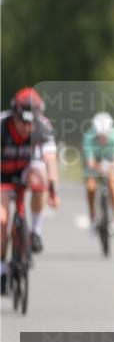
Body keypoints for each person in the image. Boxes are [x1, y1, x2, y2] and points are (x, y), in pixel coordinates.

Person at [1, 87, 60, 294]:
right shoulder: (2, 125)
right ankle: (1, 267)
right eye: (21, 122)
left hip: (27, 168)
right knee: (1, 218)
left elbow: (50, 160)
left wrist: (52, 188)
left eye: (30, 123)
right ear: (13, 116)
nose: (26, 128)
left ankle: (35, 231)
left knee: (40, 178)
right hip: (3, 173)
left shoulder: (43, 127)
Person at [83, 111, 114, 236]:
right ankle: (92, 217)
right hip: (95, 165)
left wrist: (110, 168)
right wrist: (98, 168)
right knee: (90, 187)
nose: (102, 139)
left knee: (112, 182)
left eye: (104, 136)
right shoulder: (89, 137)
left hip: (110, 164)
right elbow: (90, 162)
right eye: (99, 136)